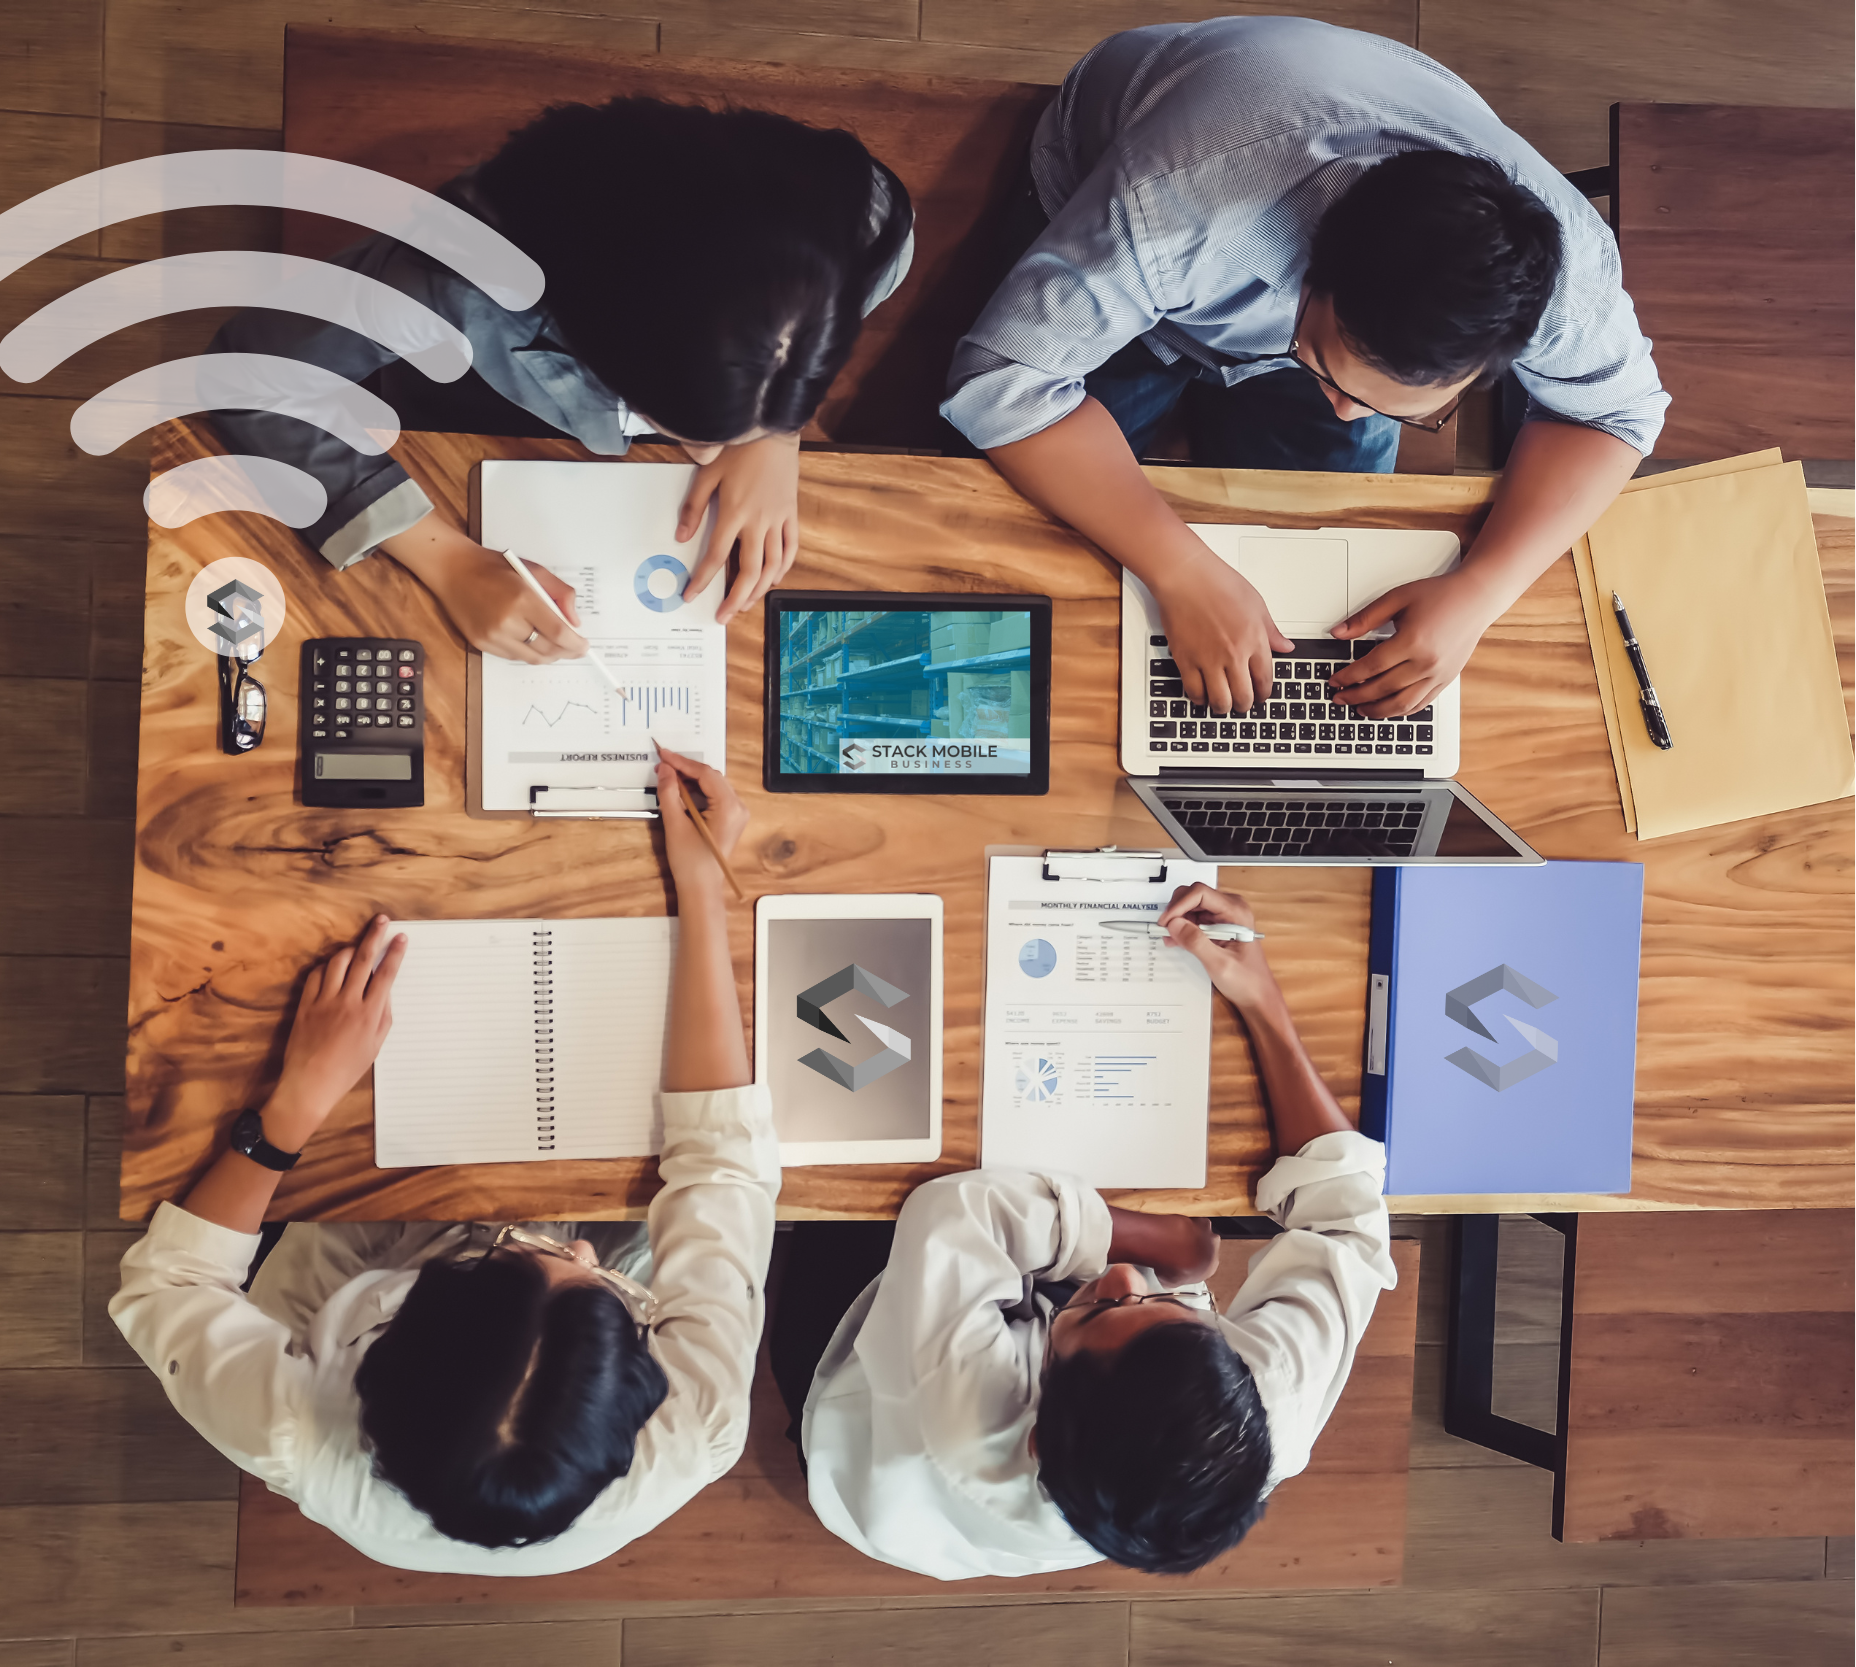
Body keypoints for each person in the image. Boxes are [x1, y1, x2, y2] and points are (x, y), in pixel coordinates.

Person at [109, 751, 776, 1574]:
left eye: (510, 1255)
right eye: (587, 1276)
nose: (577, 1247)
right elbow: (721, 1161)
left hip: (374, 1246)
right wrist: (702, 887)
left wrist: (296, 1104)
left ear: (386, 1345)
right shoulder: (696, 1426)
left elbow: (163, 1286)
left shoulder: (289, 1428)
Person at [942, 17, 1667, 726]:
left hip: (1267, 215)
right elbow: (998, 380)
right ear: (1308, 273)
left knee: (1328, 575)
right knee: (994, 530)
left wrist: (1483, 588)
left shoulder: (1564, 279)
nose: (1347, 412)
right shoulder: (1177, 204)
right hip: (1107, 180)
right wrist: (1179, 569)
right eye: (1328, 370)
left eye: (1407, 408)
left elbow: (1620, 416)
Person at [772, 881, 1394, 1578]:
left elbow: (951, 1212)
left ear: (1034, 1432)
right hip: (1033, 1404)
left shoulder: (965, 1417)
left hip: (862, 1420)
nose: (1126, 1281)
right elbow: (1347, 1212)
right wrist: (1260, 999)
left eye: (1104, 1308)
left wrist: (1162, 1246)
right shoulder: (1263, 1403)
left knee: (858, 1165)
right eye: (1171, 1307)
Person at [209, 99, 914, 652]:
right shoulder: (452, 281)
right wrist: (448, 563)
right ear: (604, 342)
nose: (706, 454)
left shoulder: (859, 214)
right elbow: (248, 372)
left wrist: (773, 433)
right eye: (689, 428)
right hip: (466, 400)